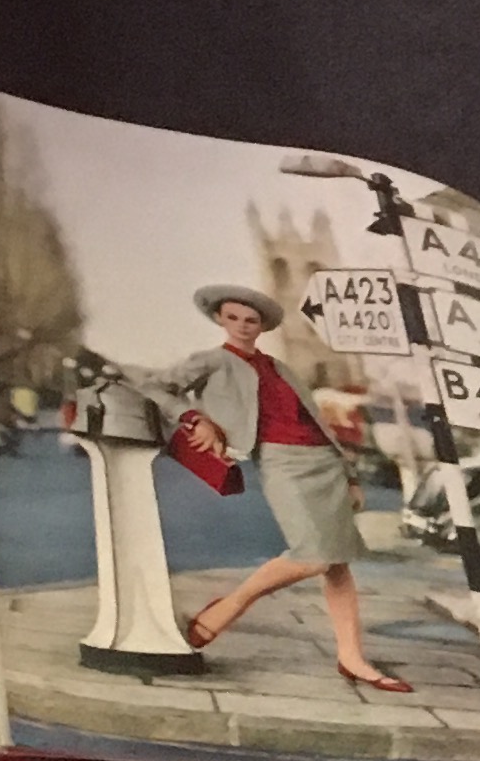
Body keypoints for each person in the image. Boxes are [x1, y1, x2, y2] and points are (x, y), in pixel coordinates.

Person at [163, 284, 407, 692]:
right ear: (220, 319)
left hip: (325, 463)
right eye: (233, 318)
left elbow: (317, 422)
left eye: (251, 320)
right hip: (281, 462)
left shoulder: (280, 367)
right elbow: (159, 388)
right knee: (312, 557)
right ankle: (225, 609)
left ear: (261, 326)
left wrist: (349, 476)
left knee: (336, 562)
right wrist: (194, 419)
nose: (242, 326)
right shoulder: (211, 361)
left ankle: (352, 657)